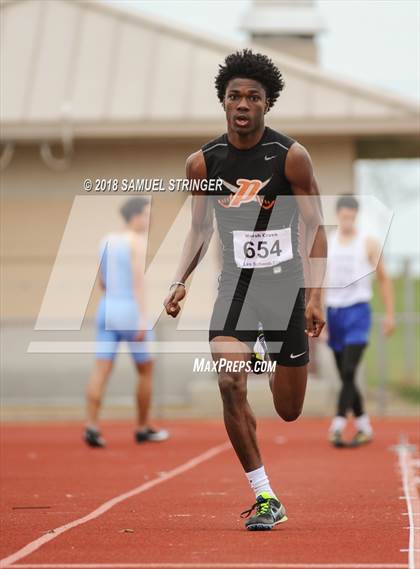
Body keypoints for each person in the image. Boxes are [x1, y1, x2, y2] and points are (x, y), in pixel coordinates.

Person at [163, 50, 327, 530]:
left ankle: (269, 357)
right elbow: (198, 229)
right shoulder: (203, 162)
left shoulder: (291, 157)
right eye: (234, 95)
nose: (243, 103)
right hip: (236, 285)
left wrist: (316, 296)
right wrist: (179, 280)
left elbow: (316, 225)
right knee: (230, 380)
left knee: (289, 410)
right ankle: (265, 496)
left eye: (253, 97)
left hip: (285, 288)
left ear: (266, 104)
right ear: (223, 102)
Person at [84, 197, 169, 448]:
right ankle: (143, 427)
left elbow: (102, 281)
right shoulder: (136, 242)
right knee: (146, 369)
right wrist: (142, 319)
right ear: (135, 217)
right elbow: (138, 282)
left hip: (107, 307)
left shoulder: (106, 240)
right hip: (129, 310)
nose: (150, 219)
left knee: (101, 370)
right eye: (147, 214)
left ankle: (91, 425)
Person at [325, 195, 395, 448]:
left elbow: (385, 278)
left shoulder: (368, 243)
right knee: (345, 373)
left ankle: (339, 423)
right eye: (343, 216)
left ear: (356, 215)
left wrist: (389, 314)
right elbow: (321, 282)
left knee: (349, 370)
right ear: (338, 215)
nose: (347, 220)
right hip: (334, 313)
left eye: (351, 216)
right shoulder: (329, 243)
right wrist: (319, 316)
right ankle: (364, 425)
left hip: (358, 311)